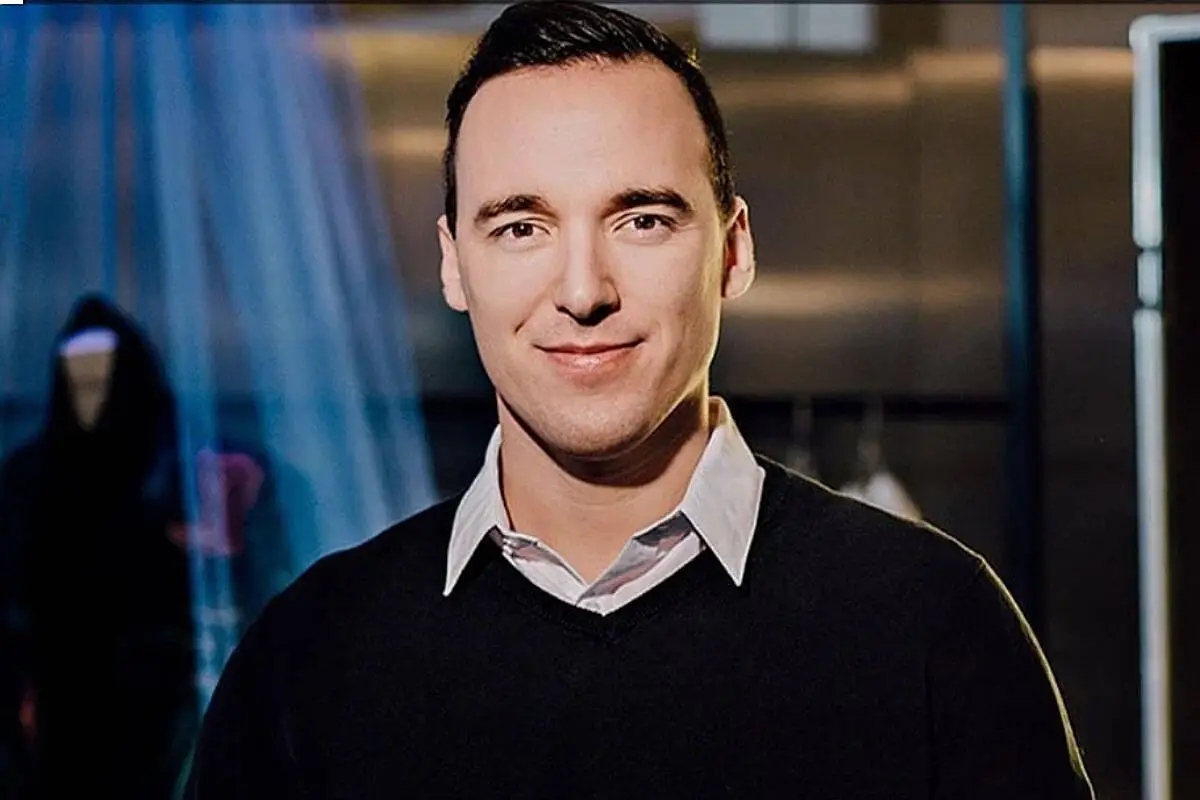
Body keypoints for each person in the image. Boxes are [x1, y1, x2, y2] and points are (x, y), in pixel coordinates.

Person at [185, 2, 1095, 797]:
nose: (583, 289)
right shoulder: (310, 657)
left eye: (643, 219)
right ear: (454, 264)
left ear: (733, 252)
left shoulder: (935, 625)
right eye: (520, 226)